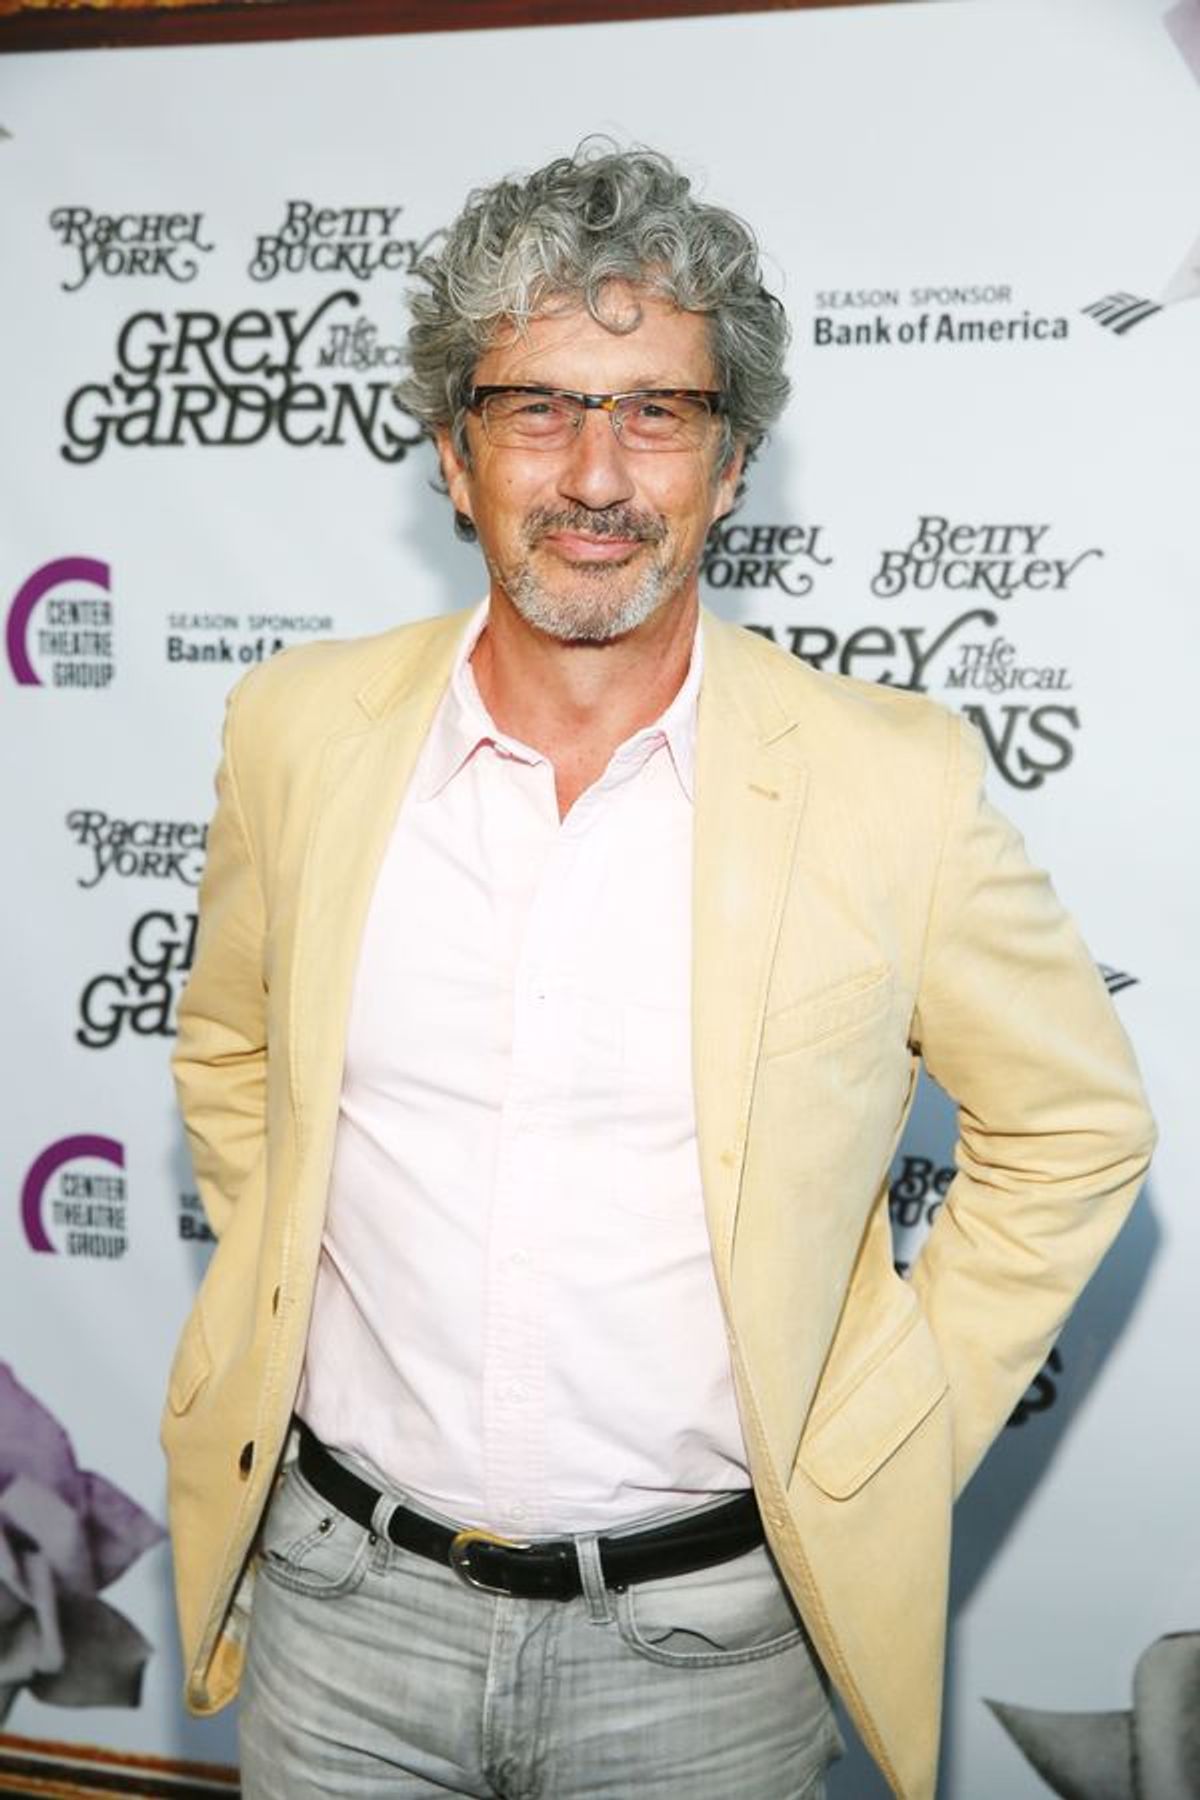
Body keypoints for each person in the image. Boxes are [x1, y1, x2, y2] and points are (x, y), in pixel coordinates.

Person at [163, 144, 1154, 1800]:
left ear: (735, 462)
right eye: (541, 408)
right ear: (452, 449)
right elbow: (231, 1060)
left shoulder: (888, 782)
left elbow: (1074, 1127)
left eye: (659, 413)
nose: (599, 475)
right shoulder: (296, 734)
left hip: (706, 1656)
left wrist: (881, 1439)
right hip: (340, 1620)